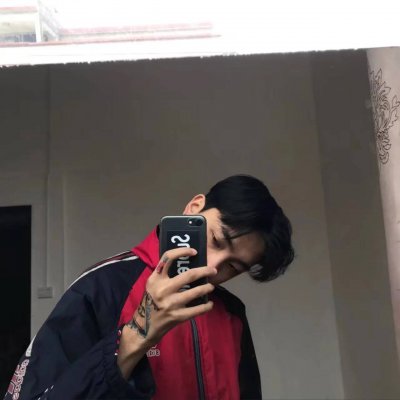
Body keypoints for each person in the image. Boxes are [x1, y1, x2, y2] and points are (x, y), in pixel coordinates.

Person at [5, 174, 294, 400]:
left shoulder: (231, 313)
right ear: (194, 208)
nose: (214, 267)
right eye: (217, 240)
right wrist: (136, 336)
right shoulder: (103, 286)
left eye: (233, 266)